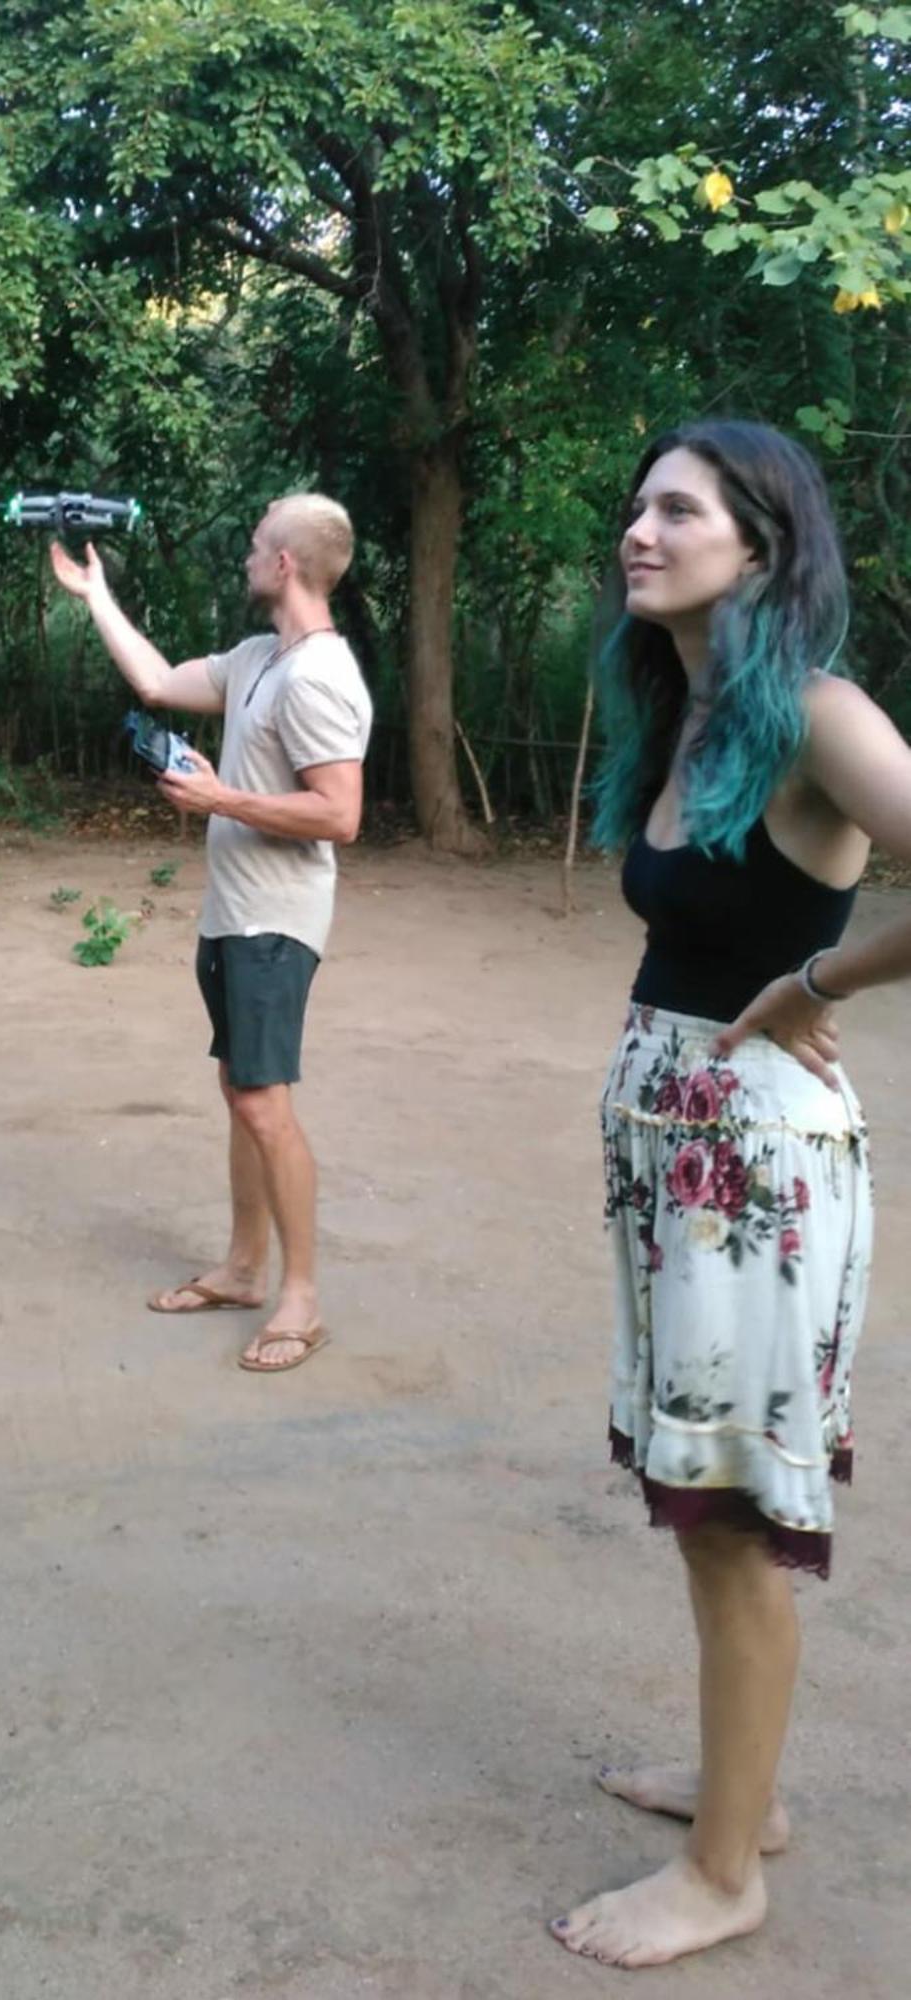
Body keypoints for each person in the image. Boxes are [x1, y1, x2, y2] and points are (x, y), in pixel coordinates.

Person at [550, 419, 911, 1968]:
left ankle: (725, 1876)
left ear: (760, 544)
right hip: (679, 1160)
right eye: (635, 506)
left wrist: (810, 978)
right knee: (700, 1499)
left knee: (736, 1519)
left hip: (756, 1164)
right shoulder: (691, 715)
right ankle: (736, 1794)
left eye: (678, 510)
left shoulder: (817, 716)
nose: (640, 529)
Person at [48, 495, 372, 1372]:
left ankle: (299, 1299)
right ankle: (240, 1267)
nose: (244, 560)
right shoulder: (262, 658)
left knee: (264, 1103)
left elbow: (340, 813)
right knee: (241, 1090)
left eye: (256, 548)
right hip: (235, 913)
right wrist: (97, 598)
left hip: (276, 921)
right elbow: (158, 684)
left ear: (286, 567)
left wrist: (219, 797)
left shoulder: (318, 678)